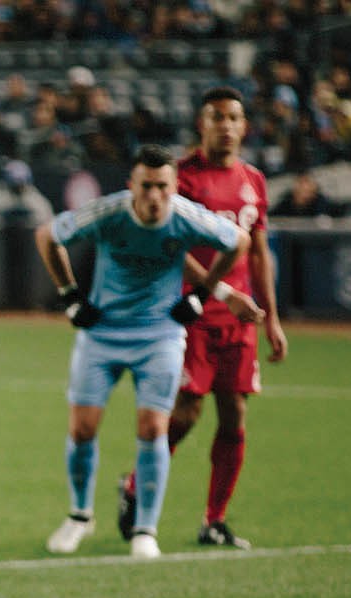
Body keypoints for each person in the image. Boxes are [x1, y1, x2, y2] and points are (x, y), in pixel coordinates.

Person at [36, 145, 261, 559]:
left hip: (159, 336)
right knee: (82, 428)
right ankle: (80, 517)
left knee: (154, 428)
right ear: (132, 186)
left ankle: (145, 529)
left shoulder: (186, 216)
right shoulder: (109, 212)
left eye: (163, 187)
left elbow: (240, 241)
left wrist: (202, 294)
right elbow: (47, 236)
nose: (155, 196)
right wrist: (70, 295)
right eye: (147, 186)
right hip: (102, 333)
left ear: (174, 187)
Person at [117, 87, 289, 550]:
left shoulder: (253, 180)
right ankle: (134, 485)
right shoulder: (182, 178)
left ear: (245, 126)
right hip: (192, 311)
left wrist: (271, 318)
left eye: (234, 118)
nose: (226, 126)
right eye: (217, 117)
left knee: (234, 416)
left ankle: (214, 520)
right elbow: (170, 246)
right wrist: (221, 291)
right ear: (202, 123)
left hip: (240, 318)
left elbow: (258, 253)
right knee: (186, 413)